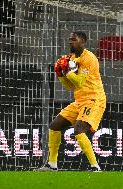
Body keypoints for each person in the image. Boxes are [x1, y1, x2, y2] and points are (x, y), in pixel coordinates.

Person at [40, 31, 106, 172]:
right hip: (80, 101)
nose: (70, 42)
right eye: (70, 39)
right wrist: (61, 74)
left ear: (82, 41)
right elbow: (70, 86)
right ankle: (52, 164)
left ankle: (95, 167)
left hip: (94, 99)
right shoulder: (71, 59)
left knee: (79, 130)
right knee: (55, 126)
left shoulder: (89, 58)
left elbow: (80, 82)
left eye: (74, 40)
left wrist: (68, 71)